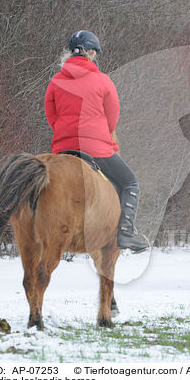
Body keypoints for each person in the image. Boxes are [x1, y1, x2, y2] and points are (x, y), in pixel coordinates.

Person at [44, 30, 149, 253]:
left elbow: (51, 115)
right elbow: (112, 117)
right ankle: (126, 234)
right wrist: (102, 137)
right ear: (91, 53)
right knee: (130, 183)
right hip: (96, 148)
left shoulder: (55, 81)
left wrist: (65, 136)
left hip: (63, 149)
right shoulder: (103, 80)